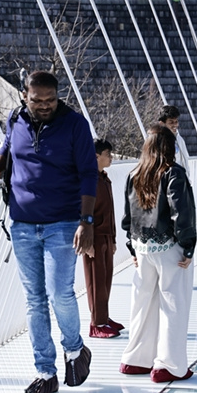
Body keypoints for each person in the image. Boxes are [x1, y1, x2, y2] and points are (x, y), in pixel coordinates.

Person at [0, 70, 97, 393]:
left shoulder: (75, 124)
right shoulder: (15, 119)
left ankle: (75, 349)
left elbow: (89, 173)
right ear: (24, 96)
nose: (45, 106)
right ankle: (46, 372)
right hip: (22, 224)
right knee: (34, 301)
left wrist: (86, 221)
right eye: (37, 100)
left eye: (50, 100)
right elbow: (7, 146)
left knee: (60, 293)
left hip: (63, 223)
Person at [119, 124, 197, 383]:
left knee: (142, 303)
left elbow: (128, 216)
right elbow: (181, 213)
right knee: (173, 303)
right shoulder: (173, 173)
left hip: (142, 247)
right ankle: (168, 365)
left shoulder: (134, 173)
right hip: (169, 247)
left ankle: (135, 359)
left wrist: (132, 247)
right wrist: (188, 246)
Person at [83, 139, 125, 338]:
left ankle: (104, 318)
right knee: (96, 281)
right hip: (94, 238)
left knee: (106, 280)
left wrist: (113, 239)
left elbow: (110, 210)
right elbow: (83, 211)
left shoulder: (104, 178)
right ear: (96, 156)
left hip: (106, 235)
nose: (111, 157)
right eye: (108, 154)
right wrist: (87, 242)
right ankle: (97, 324)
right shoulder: (87, 179)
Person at [158, 105, 190, 175]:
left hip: (180, 179)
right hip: (167, 179)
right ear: (162, 124)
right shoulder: (158, 141)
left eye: (176, 122)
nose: (175, 125)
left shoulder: (179, 139)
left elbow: (185, 162)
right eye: (171, 122)